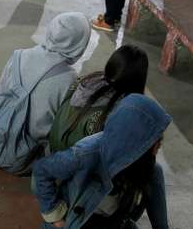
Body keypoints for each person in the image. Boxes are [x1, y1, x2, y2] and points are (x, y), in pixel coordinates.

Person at [32, 94, 172, 229]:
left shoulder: (149, 169)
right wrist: (55, 216)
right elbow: (42, 170)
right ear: (133, 140)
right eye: (154, 139)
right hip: (76, 222)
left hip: (115, 222)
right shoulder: (87, 154)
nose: (160, 144)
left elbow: (160, 223)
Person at [0, 12, 91, 174]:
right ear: (79, 45)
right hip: (27, 158)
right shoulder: (70, 80)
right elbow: (59, 133)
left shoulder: (18, 56)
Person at [49, 45, 149, 153]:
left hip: (54, 149)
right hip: (75, 164)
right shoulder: (123, 110)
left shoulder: (87, 80)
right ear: (139, 80)